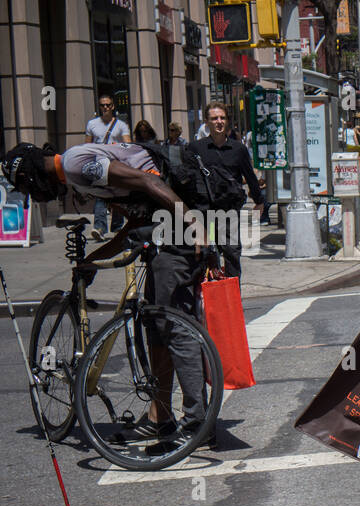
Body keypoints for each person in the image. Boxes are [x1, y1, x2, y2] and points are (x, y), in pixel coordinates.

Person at [3, 141, 213, 443]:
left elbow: (148, 181)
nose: (31, 196)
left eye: (25, 188)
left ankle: (197, 425)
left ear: (29, 176)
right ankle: (161, 418)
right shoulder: (77, 174)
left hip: (178, 229)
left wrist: (192, 221)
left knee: (175, 328)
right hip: (163, 230)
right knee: (157, 328)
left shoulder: (76, 165)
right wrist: (94, 260)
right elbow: (138, 220)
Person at [192, 101, 264, 277]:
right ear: (207, 122)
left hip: (229, 212)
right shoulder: (196, 148)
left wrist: (259, 201)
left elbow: (251, 176)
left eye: (222, 118)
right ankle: (207, 297)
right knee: (205, 254)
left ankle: (232, 298)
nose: (219, 121)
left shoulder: (238, 149)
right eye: (214, 118)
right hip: (205, 213)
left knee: (231, 253)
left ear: (227, 121)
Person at [85, 93, 132, 240]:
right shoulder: (92, 124)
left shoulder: (121, 125)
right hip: (99, 164)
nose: (105, 107)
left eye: (107, 105)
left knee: (116, 194)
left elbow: (128, 144)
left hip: (116, 164)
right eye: (102, 105)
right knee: (101, 195)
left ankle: (117, 227)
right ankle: (99, 227)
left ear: (112, 106)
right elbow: (87, 145)